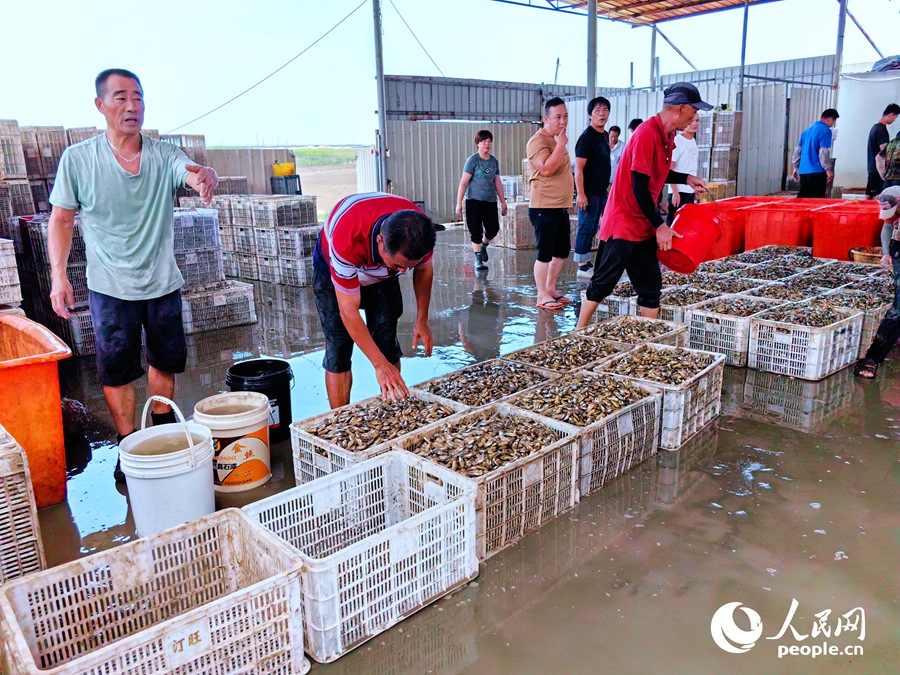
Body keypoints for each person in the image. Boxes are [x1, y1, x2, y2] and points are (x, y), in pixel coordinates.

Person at [48, 68, 218, 483]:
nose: (132, 106)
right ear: (100, 105)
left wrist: (202, 176)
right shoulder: (79, 159)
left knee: (165, 361)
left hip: (162, 282)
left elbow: (188, 170)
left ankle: (158, 435)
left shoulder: (162, 154)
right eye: (121, 97)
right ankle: (128, 448)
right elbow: (62, 220)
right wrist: (58, 275)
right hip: (109, 286)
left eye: (138, 98)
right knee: (118, 370)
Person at [576, 83, 710, 329]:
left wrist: (686, 178)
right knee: (604, 281)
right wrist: (660, 225)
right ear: (681, 109)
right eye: (694, 111)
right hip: (624, 222)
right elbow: (638, 187)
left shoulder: (667, 136)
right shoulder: (646, 134)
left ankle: (651, 338)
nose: (695, 117)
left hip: (644, 222)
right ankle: (578, 330)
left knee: (650, 285)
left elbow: (657, 172)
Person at [313, 192, 435, 408]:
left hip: (382, 276)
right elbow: (348, 311)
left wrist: (422, 320)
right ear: (380, 241)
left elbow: (424, 270)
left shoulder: (420, 232)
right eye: (399, 266)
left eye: (409, 266)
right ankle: (340, 420)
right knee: (338, 347)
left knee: (387, 341)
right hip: (334, 270)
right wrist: (380, 366)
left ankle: (394, 408)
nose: (405, 272)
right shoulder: (348, 237)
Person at [526, 97, 574, 312]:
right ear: (546, 118)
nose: (562, 121)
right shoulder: (538, 141)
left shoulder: (557, 139)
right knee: (545, 252)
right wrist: (561, 145)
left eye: (565, 116)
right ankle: (541, 294)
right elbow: (545, 169)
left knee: (562, 250)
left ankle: (551, 288)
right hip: (543, 206)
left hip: (559, 206)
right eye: (557, 117)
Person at [854, 186, 900, 379]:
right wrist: (886, 252)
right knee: (898, 309)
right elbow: (887, 226)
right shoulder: (893, 209)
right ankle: (872, 358)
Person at [455, 130, 507, 271]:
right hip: (474, 201)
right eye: (484, 141)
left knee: (493, 228)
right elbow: (464, 183)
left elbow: (497, 182)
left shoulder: (493, 161)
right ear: (478, 143)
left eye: (489, 141)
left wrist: (503, 201)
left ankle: (484, 245)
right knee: (475, 230)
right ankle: (478, 259)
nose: (487, 144)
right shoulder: (473, 160)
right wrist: (459, 203)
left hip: (490, 201)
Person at [574, 97, 612, 279]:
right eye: (597, 110)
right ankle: (582, 266)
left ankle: (587, 262)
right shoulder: (586, 138)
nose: (601, 113)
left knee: (595, 227)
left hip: (601, 191)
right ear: (590, 115)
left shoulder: (604, 136)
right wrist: (580, 194)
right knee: (586, 227)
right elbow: (578, 170)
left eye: (605, 110)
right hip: (588, 192)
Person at [791, 108, 839, 198]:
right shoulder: (825, 131)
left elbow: (797, 151)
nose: (833, 124)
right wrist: (828, 170)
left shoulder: (806, 131)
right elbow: (823, 152)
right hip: (817, 173)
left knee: (804, 202)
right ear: (829, 119)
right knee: (816, 202)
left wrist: (796, 167)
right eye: (834, 120)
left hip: (803, 172)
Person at [667, 112, 701, 225]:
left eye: (697, 120)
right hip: (679, 192)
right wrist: (675, 193)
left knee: (687, 225)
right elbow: (669, 170)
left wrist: (694, 189)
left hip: (689, 191)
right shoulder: (678, 141)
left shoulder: (693, 141)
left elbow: (690, 168)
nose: (694, 124)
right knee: (673, 225)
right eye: (691, 121)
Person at [866, 104, 899, 198]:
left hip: (872, 167)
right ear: (891, 115)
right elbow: (884, 152)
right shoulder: (881, 130)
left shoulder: (875, 127)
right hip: (878, 169)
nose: (894, 120)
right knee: (877, 196)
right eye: (895, 117)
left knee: (869, 195)